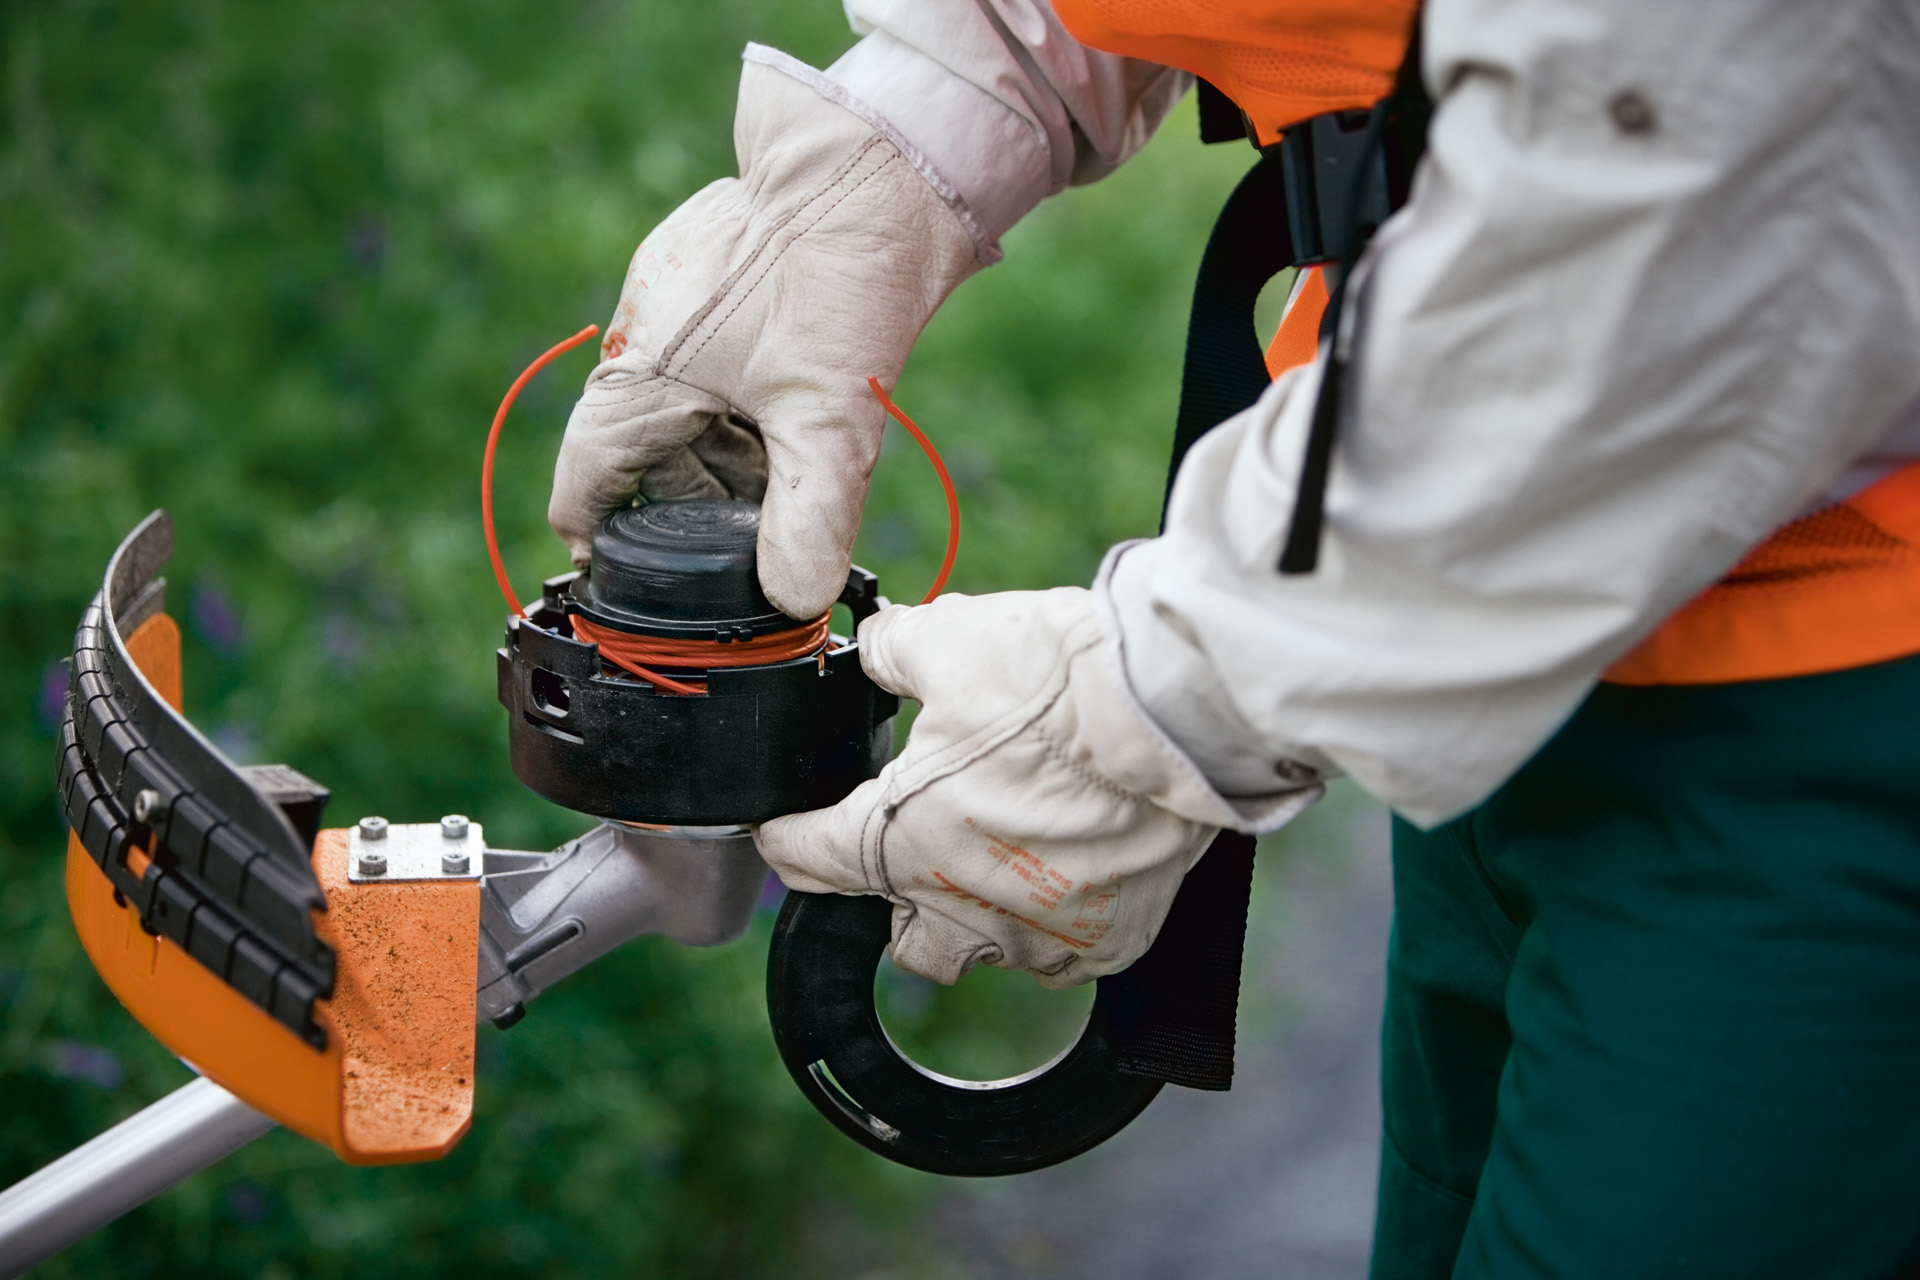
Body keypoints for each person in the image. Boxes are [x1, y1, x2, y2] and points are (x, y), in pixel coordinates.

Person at [549, 1, 1920, 1273]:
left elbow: (1706, 173)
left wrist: (1180, 691)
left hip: (1825, 701)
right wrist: (921, 124)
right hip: (1484, 639)